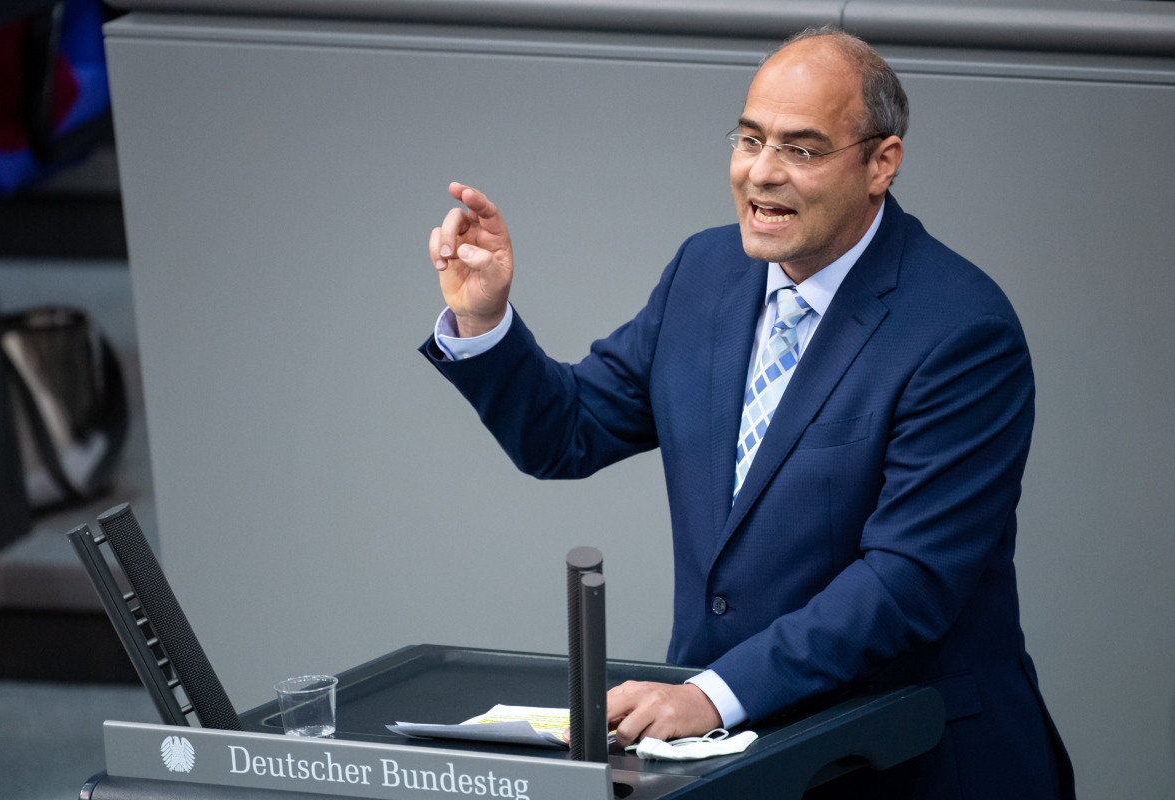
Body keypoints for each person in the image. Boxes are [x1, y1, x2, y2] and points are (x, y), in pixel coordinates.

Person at [420, 27, 1074, 799]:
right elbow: (567, 431)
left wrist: (709, 696)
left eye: (801, 150)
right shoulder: (704, 272)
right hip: (738, 763)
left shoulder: (961, 331)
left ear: (881, 163)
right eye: (750, 139)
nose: (761, 173)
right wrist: (485, 321)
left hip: (911, 765)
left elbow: (907, 582)